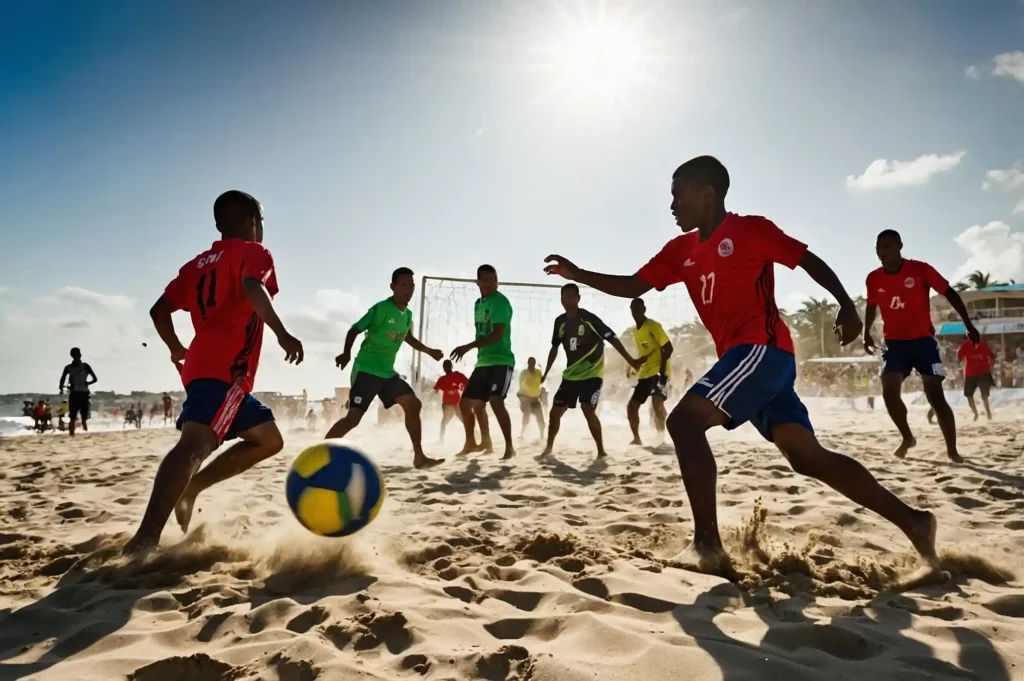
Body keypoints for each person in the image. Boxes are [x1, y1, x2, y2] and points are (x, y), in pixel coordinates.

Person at [543, 155, 939, 576]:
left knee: (683, 423)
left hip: (761, 351)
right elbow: (633, 286)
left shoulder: (751, 230)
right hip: (759, 361)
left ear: (706, 195)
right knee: (807, 457)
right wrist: (580, 274)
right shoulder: (680, 251)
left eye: (677, 196)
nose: (672, 206)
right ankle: (915, 522)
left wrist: (846, 305)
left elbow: (807, 260)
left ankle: (707, 547)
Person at [124, 190, 303, 553]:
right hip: (225, 369)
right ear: (253, 222)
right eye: (261, 222)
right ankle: (145, 538)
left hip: (208, 369)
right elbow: (253, 286)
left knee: (269, 440)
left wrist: (176, 348)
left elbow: (159, 310)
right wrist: (283, 332)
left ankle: (193, 487)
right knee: (194, 445)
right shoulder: (255, 252)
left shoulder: (196, 265)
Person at [863, 230, 976, 462]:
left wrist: (968, 324)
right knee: (889, 390)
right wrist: (866, 333)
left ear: (899, 246)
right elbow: (871, 306)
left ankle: (952, 451)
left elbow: (949, 293)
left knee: (935, 396)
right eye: (878, 247)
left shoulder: (921, 269)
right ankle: (907, 438)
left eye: (887, 246)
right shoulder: (873, 278)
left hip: (923, 342)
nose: (881, 252)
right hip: (893, 344)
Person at [326, 267, 445, 469]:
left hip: (387, 374)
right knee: (353, 419)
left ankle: (419, 456)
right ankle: (321, 452)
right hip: (366, 370)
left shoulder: (407, 315)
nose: (408, 289)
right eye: (403, 285)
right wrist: (346, 353)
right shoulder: (380, 309)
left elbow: (408, 338)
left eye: (411, 285)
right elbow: (354, 329)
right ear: (393, 287)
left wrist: (429, 351)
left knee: (413, 404)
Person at [540, 283, 640, 458]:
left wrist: (630, 359)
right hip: (571, 375)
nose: (568, 299)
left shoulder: (588, 319)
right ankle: (548, 449)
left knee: (587, 408)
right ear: (561, 299)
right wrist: (546, 373)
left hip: (592, 374)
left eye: (572, 296)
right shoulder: (560, 322)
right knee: (555, 413)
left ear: (578, 298)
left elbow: (611, 337)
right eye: (565, 296)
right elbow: (554, 348)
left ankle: (601, 451)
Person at [451, 264, 516, 460]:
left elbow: (497, 334)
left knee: (496, 401)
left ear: (497, 281)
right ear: (478, 281)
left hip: (501, 360)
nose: (489, 283)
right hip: (483, 362)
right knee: (468, 404)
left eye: (493, 279)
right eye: (485, 279)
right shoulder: (478, 303)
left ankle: (510, 447)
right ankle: (474, 442)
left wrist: (469, 346)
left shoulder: (500, 302)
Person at [628, 298, 673, 445]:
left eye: (638, 308)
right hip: (645, 373)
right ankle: (636, 438)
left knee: (656, 403)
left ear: (644, 309)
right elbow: (647, 353)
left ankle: (661, 437)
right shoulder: (635, 331)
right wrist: (635, 363)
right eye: (633, 308)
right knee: (632, 406)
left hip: (659, 371)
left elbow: (668, 348)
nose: (635, 311)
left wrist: (662, 369)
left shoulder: (653, 326)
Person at [59, 347, 97, 437]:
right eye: (76, 354)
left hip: (81, 394)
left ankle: (78, 434)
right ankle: (74, 434)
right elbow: (62, 378)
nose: (77, 356)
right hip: (78, 393)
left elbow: (95, 379)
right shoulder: (70, 367)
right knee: (74, 417)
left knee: (80, 417)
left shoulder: (84, 366)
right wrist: (61, 388)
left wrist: (61, 388)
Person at [959, 337, 995, 421]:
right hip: (972, 374)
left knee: (984, 396)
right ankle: (976, 414)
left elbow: (992, 356)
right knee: (970, 396)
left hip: (982, 373)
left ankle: (988, 414)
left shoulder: (982, 344)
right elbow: (959, 357)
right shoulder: (965, 344)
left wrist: (990, 368)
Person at [433, 360, 468, 443]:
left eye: (448, 366)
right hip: (447, 404)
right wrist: (431, 394)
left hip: (457, 404)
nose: (447, 368)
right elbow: (435, 390)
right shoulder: (442, 379)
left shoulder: (457, 375)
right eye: (445, 367)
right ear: (443, 368)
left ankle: (474, 437)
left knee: (465, 421)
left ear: (451, 366)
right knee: (444, 423)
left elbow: (467, 383)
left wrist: (463, 388)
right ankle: (441, 440)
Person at [517, 357, 546, 440]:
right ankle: (522, 433)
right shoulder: (524, 373)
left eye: (533, 362)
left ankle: (542, 436)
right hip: (525, 398)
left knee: (540, 419)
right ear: (528, 363)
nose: (532, 364)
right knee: (527, 414)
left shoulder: (538, 372)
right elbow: (521, 385)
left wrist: (541, 395)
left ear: (535, 363)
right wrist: (522, 398)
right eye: (530, 362)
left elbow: (539, 384)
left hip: (535, 398)